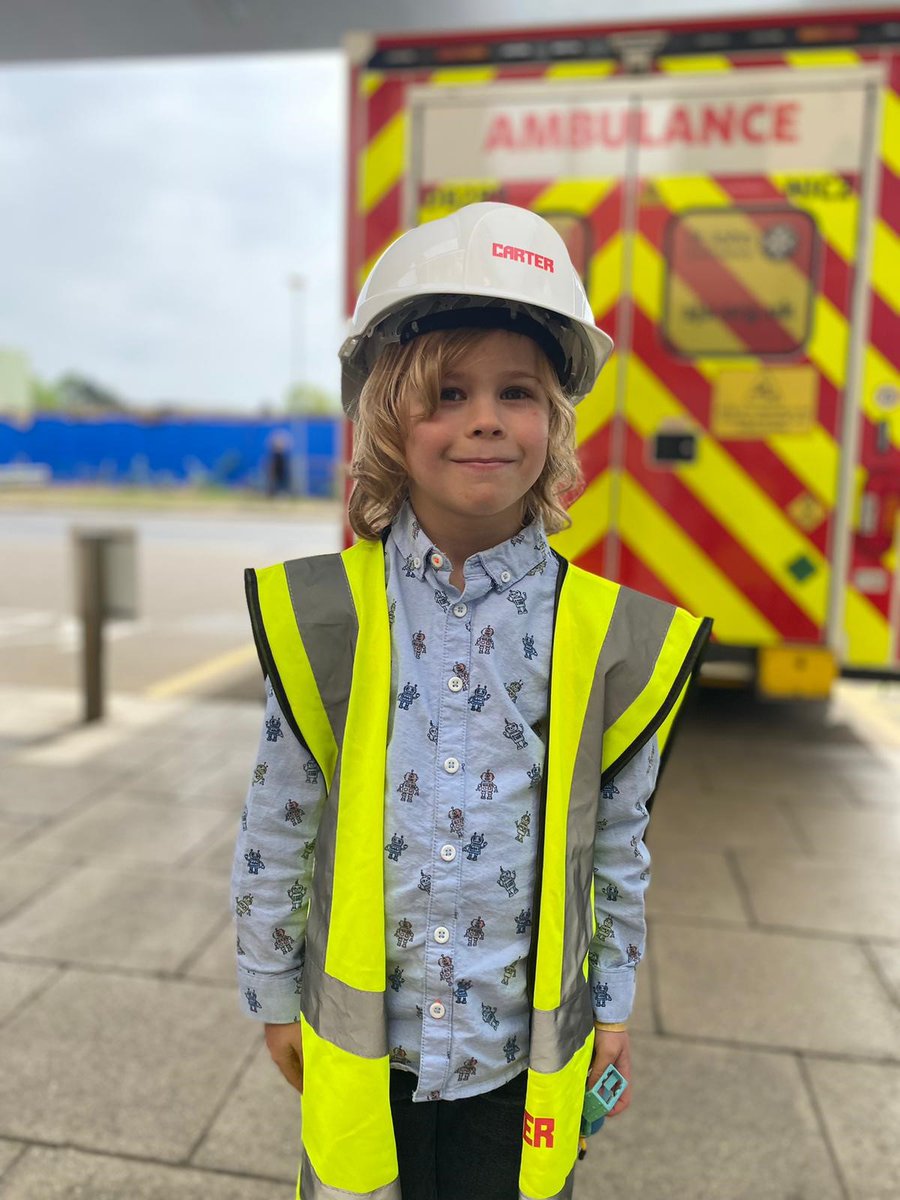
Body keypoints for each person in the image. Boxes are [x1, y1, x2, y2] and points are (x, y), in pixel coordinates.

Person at [231, 202, 712, 1200]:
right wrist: (275, 994)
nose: (486, 417)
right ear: (384, 423)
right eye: (448, 392)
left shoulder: (600, 630)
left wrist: (612, 1000)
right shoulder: (331, 613)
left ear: (555, 422)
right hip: (370, 1053)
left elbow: (617, 840)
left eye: (516, 392)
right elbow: (279, 823)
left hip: (517, 1060)